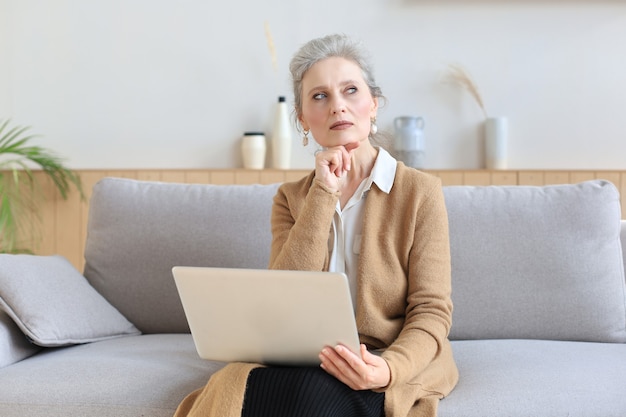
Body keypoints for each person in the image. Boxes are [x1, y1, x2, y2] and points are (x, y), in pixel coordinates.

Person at [175, 33, 458, 417]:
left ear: (374, 105)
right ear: (303, 118)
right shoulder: (290, 198)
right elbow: (281, 299)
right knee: (240, 389)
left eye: (351, 91)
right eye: (319, 96)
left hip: (383, 358)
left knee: (306, 399)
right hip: (300, 361)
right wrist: (323, 193)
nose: (337, 106)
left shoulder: (420, 193)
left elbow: (431, 311)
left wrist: (388, 369)